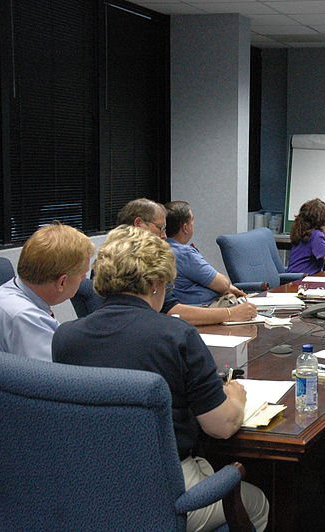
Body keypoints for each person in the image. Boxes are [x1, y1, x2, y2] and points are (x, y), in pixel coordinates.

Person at [52, 226, 269, 532]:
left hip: (89, 489)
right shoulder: (177, 335)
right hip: (162, 489)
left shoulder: (65, 337)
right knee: (258, 502)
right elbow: (221, 427)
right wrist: (236, 397)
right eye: (167, 285)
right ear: (155, 282)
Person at [0, 223, 94, 476]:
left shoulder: (15, 294)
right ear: (61, 282)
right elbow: (56, 391)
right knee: (86, 455)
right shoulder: (22, 316)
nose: (84, 278)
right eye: (82, 274)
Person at [116, 198, 256, 325]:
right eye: (160, 228)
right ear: (139, 224)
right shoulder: (141, 263)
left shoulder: (109, 259)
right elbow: (172, 311)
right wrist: (231, 314)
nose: (164, 236)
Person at [165, 201, 246, 306]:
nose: (193, 224)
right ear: (185, 228)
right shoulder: (184, 254)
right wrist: (227, 286)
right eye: (192, 220)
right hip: (205, 309)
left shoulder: (159, 249)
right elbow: (223, 284)